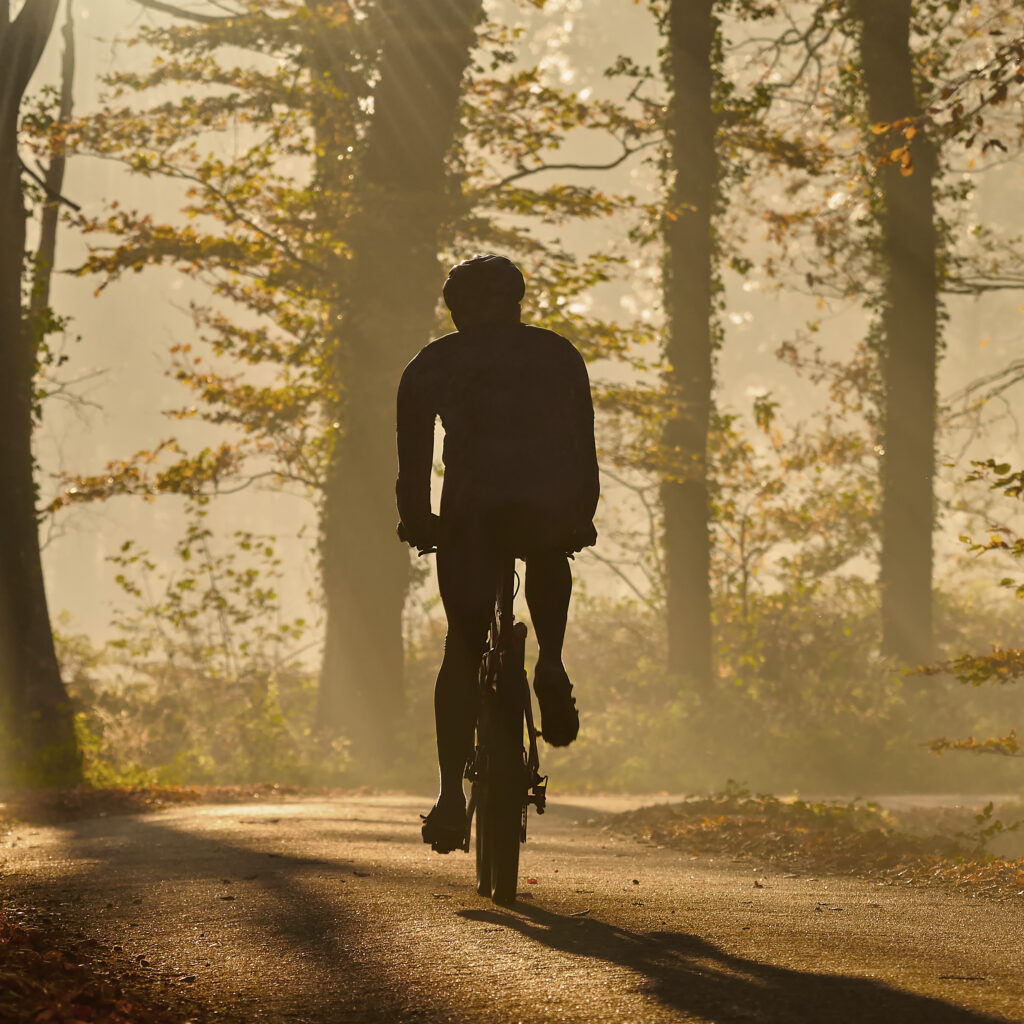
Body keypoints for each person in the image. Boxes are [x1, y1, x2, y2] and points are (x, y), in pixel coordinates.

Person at [395, 253, 600, 854]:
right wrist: (580, 516)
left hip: (471, 514)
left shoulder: (432, 364)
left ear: (454, 312)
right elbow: (581, 446)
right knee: (549, 552)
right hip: (545, 507)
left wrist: (418, 522)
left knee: (462, 648)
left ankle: (449, 800)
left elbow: (413, 463)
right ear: (518, 302)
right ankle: (552, 664)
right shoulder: (557, 355)